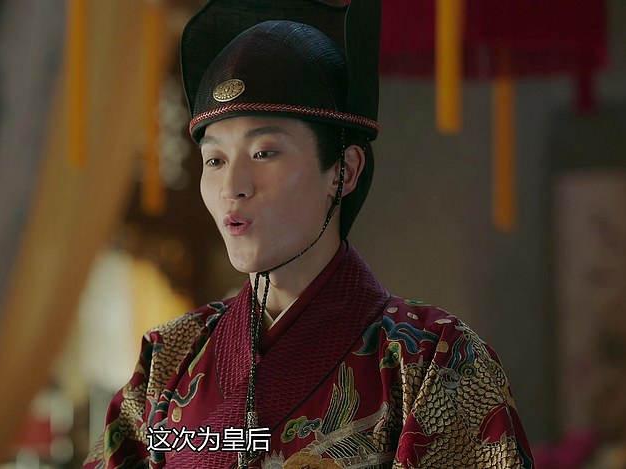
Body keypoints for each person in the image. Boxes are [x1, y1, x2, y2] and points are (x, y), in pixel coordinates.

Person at [84, 0, 534, 467]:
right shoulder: (167, 359)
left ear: (344, 171)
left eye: (264, 153)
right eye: (215, 160)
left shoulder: (433, 359)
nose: (232, 187)